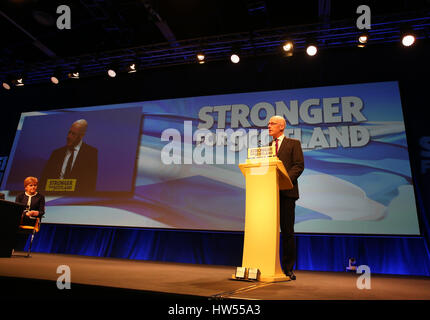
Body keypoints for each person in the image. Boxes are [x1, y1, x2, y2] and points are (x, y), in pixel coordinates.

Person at [268, 115, 304, 280]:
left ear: (281, 126)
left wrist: (285, 179)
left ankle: (288, 269)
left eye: (272, 123)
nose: (269, 126)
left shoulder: (293, 144)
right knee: (269, 232)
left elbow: (298, 165)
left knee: (287, 231)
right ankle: (269, 266)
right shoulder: (268, 146)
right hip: (269, 194)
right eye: (268, 123)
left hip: (287, 193)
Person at [41, 119, 98, 193]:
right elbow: (44, 179)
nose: (68, 136)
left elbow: (90, 184)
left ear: (81, 136)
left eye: (73, 134)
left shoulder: (91, 153)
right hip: (52, 197)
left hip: (76, 199)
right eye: (69, 132)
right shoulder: (56, 153)